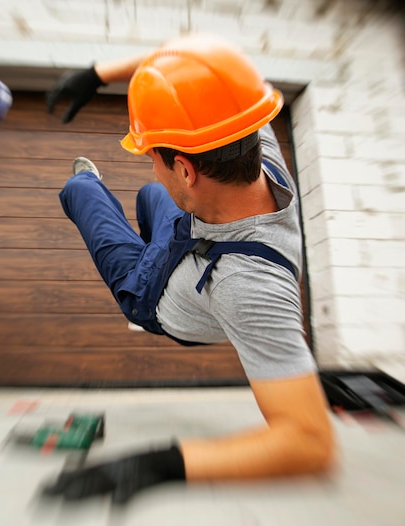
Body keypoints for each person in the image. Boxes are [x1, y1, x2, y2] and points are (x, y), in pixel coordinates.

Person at [43, 34, 336, 504]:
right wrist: (100, 74)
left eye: (150, 156)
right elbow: (197, 60)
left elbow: (310, 442)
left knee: (83, 197)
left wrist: (158, 465)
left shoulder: (251, 287)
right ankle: (153, 212)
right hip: (190, 228)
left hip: (153, 295)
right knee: (151, 196)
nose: (149, 162)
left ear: (184, 168)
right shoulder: (247, 134)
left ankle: (86, 183)